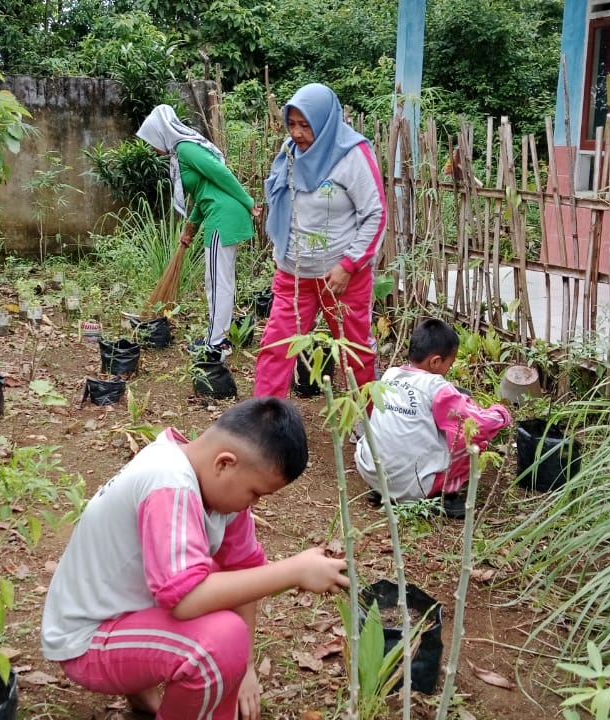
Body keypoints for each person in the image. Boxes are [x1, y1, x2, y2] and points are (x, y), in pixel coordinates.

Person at [41, 397, 349, 720]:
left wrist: (245, 668)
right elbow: (185, 600)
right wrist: (293, 571)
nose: (254, 504)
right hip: (87, 639)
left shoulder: (215, 485)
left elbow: (243, 566)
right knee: (221, 642)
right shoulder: (169, 481)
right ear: (225, 463)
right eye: (256, 492)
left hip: (127, 613)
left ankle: (146, 687)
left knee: (221, 583)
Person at [253, 83, 386, 398]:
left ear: (325, 122)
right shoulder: (289, 153)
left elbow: (375, 215)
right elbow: (285, 204)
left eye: (305, 125)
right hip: (294, 276)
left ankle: (367, 424)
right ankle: (262, 429)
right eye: (292, 124)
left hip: (341, 279)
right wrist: (281, 247)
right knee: (275, 348)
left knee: (355, 352)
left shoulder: (353, 155)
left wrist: (349, 265)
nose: (297, 133)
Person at [353, 318, 512, 519]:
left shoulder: (390, 375)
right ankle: (443, 497)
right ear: (435, 361)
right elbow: (479, 423)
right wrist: (501, 414)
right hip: (415, 485)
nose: (448, 369)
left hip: (371, 471)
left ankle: (383, 489)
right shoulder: (436, 387)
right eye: (449, 363)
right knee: (472, 439)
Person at [136, 104, 260, 357]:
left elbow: (221, 174)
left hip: (223, 218)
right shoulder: (181, 153)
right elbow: (204, 195)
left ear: (161, 134)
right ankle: (220, 337)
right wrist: (189, 229)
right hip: (221, 213)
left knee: (216, 282)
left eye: (151, 141)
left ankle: (217, 344)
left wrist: (248, 201)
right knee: (220, 280)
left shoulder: (185, 149)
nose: (152, 147)